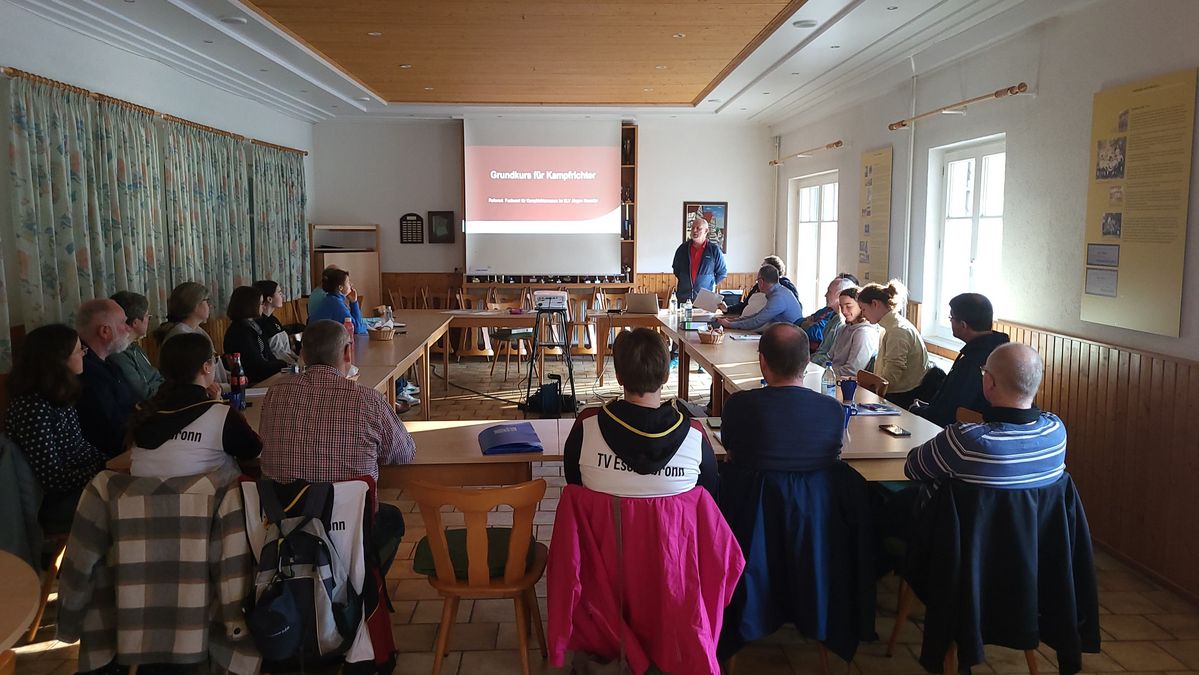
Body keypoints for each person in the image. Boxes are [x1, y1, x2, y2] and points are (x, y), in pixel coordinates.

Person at [258, 320, 415, 568]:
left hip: (285, 526)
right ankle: (362, 583)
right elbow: (403, 455)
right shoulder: (368, 400)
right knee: (392, 519)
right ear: (347, 353)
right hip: (347, 524)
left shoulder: (275, 394)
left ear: (302, 354)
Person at [564, 327, 717, 496]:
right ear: (666, 376)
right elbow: (707, 495)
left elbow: (574, 486)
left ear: (618, 377)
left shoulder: (587, 427)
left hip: (603, 514)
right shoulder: (694, 435)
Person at [904, 343, 1065, 488]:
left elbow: (913, 469)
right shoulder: (1057, 431)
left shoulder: (964, 441)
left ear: (989, 382)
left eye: (984, 372)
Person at [4, 324, 108, 533]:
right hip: (52, 503)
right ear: (59, 360)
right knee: (125, 502)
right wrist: (102, 469)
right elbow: (52, 479)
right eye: (79, 350)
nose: (84, 354)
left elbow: (80, 447)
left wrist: (109, 463)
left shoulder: (58, 393)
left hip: (77, 486)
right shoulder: (32, 407)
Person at [128, 332, 262, 479]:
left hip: (141, 492)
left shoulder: (146, 411)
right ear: (206, 367)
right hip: (203, 493)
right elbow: (253, 449)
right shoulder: (220, 414)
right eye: (214, 359)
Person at [720, 323, 844, 471]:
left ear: (762, 361)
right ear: (807, 361)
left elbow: (729, 447)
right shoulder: (833, 410)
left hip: (752, 485)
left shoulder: (738, 405)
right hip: (817, 486)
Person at [909, 293, 1010, 426]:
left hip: (962, 431)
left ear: (963, 325)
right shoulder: (1004, 351)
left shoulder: (972, 362)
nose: (950, 321)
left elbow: (947, 413)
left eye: (951, 318)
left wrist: (916, 410)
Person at [75, 299, 138, 458]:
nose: (129, 328)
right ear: (104, 331)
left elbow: (133, 405)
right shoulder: (85, 372)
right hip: (115, 457)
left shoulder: (109, 363)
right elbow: (112, 431)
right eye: (123, 322)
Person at [858, 280, 930, 408]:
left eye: (864, 309)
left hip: (902, 397)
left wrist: (870, 391)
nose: (863, 315)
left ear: (875, 304)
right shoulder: (889, 327)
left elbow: (891, 378)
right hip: (893, 393)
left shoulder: (898, 331)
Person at [224, 286, 289, 384]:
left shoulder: (253, 325)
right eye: (261, 303)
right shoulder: (240, 332)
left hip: (264, 374)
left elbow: (268, 354)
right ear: (250, 305)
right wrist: (283, 365)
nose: (264, 306)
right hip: (252, 380)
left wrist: (283, 365)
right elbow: (256, 365)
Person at [108, 290, 165, 401]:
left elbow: (157, 377)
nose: (149, 319)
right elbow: (143, 394)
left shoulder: (135, 347)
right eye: (147, 316)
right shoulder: (118, 355)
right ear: (135, 322)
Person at [715, 265, 803, 332]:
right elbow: (758, 315)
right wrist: (733, 321)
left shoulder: (778, 297)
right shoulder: (780, 292)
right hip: (788, 332)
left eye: (757, 281)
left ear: (761, 282)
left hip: (790, 337)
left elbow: (757, 321)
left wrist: (730, 325)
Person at [825, 287, 882, 378]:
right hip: (832, 376)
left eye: (849, 306)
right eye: (841, 307)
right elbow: (829, 357)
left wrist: (828, 373)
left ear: (861, 306)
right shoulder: (843, 328)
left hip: (845, 381)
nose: (844, 311)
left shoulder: (864, 333)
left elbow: (852, 371)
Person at [671, 215, 728, 304]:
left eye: (698, 228)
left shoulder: (714, 250)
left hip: (706, 298)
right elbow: (676, 270)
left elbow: (722, 272)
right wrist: (686, 281)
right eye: (693, 228)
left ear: (706, 231)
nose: (694, 230)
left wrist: (711, 283)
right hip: (684, 297)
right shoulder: (682, 249)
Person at [802, 273, 860, 357]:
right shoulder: (834, 317)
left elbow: (815, 333)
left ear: (839, 295)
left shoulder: (843, 322)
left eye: (829, 292)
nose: (825, 295)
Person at [722, 255, 799, 316]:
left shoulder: (786, 287)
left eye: (764, 267)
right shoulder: (758, 285)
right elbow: (745, 305)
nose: (761, 270)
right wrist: (727, 309)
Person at [309, 268, 368, 334]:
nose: (351, 284)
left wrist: (353, 301)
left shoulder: (330, 299)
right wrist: (354, 303)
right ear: (340, 287)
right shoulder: (336, 304)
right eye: (348, 282)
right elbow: (356, 328)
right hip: (321, 339)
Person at [254, 279, 299, 364]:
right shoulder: (260, 323)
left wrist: (298, 359)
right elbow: (273, 354)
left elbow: (285, 350)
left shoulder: (273, 319)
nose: (283, 295)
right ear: (269, 299)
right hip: (277, 366)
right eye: (279, 293)